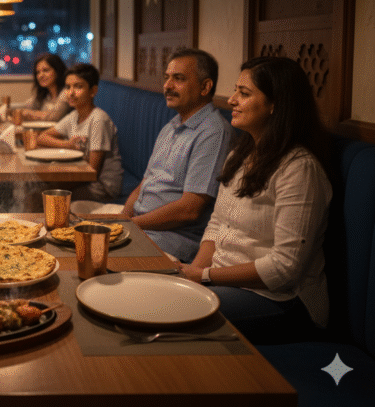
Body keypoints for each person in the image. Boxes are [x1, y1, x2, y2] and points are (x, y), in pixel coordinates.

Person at [178, 56, 333, 343]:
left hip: (283, 301)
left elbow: (284, 269)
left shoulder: (299, 168)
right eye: (235, 90)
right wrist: (194, 273)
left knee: (173, 312)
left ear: (276, 104)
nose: (232, 100)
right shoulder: (242, 154)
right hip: (221, 280)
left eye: (244, 93)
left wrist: (204, 277)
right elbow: (217, 224)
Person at [122, 48, 233, 262]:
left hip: (172, 238)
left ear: (205, 87)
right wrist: (124, 217)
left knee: (94, 255)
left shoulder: (213, 132)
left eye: (178, 79)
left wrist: (132, 225)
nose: (167, 86)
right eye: (166, 78)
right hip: (141, 224)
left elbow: (190, 210)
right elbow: (145, 182)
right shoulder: (172, 125)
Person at [36, 63, 123, 201]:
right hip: (83, 179)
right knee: (36, 191)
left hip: (102, 187)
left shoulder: (98, 119)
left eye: (78, 86)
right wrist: (68, 145)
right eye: (68, 87)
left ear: (93, 91)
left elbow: (92, 171)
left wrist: (58, 184)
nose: (70, 92)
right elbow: (41, 138)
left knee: (40, 196)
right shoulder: (74, 116)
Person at [21, 53, 72, 121]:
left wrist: (30, 113)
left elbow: (55, 117)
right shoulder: (44, 94)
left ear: (57, 71)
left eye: (46, 70)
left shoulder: (67, 92)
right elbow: (25, 108)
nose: (41, 75)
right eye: (38, 72)